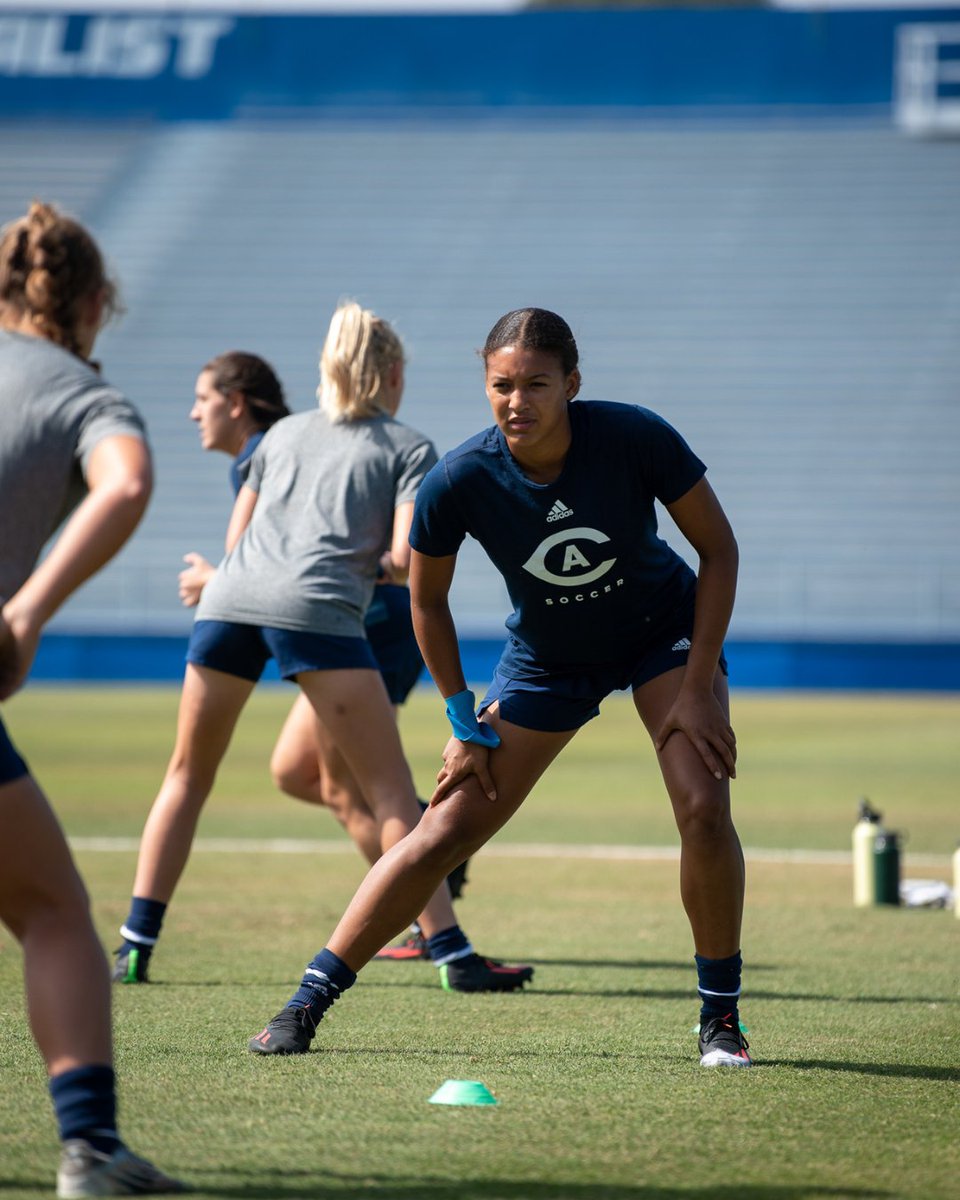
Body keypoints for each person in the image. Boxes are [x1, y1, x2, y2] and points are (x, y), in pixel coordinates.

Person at [249, 306, 750, 1069]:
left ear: (572, 384)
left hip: (664, 636)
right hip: (548, 660)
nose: (517, 402)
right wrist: (461, 718)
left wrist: (698, 684)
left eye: (536, 385)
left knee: (704, 806)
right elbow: (426, 602)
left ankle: (720, 1020)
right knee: (441, 831)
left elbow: (719, 550)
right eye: (502, 386)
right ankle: (304, 1003)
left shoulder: (634, 436)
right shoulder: (460, 478)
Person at [113, 302, 529, 1007]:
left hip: (228, 604)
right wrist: (361, 565)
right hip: (320, 614)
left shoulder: (280, 435)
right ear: (391, 374)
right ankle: (454, 954)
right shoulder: (408, 447)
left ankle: (134, 943)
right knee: (390, 792)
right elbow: (402, 561)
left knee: (186, 774)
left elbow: (238, 544)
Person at [0, 200, 186, 1196]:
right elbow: (126, 484)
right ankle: (91, 1152)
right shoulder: (78, 392)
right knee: (54, 911)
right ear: (92, 301)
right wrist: (27, 613)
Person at [170, 349, 467, 962]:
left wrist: (218, 581)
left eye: (201, 400)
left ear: (235, 403)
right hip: (341, 626)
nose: (193, 413)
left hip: (364, 629)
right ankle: (426, 860)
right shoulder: (284, 446)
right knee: (298, 773)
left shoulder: (272, 452)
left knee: (355, 789)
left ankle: (432, 898)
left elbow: (300, 567)